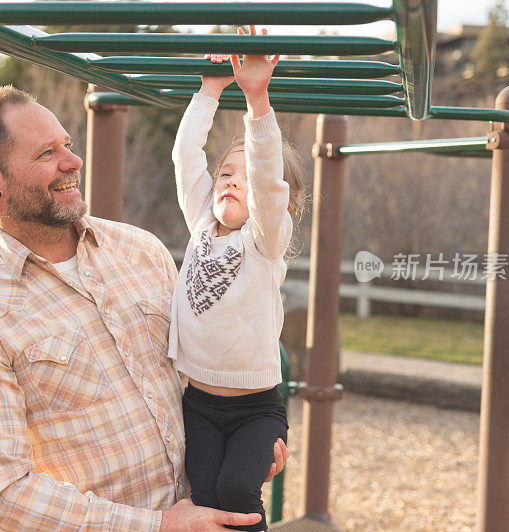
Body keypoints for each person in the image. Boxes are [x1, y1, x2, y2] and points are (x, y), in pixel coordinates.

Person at [0, 81, 288, 531]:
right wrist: (156, 527)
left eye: (68, 144)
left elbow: (198, 373)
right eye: (47, 154)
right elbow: (3, 492)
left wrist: (247, 439)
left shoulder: (140, 250)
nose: (73, 161)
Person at [168, 26, 305, 531]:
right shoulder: (202, 222)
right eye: (226, 172)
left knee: (236, 490)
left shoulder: (264, 242)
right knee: (204, 496)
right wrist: (208, 91)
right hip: (198, 403)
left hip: (255, 409)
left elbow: (269, 180)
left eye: (242, 178)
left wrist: (256, 98)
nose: (230, 180)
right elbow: (186, 157)